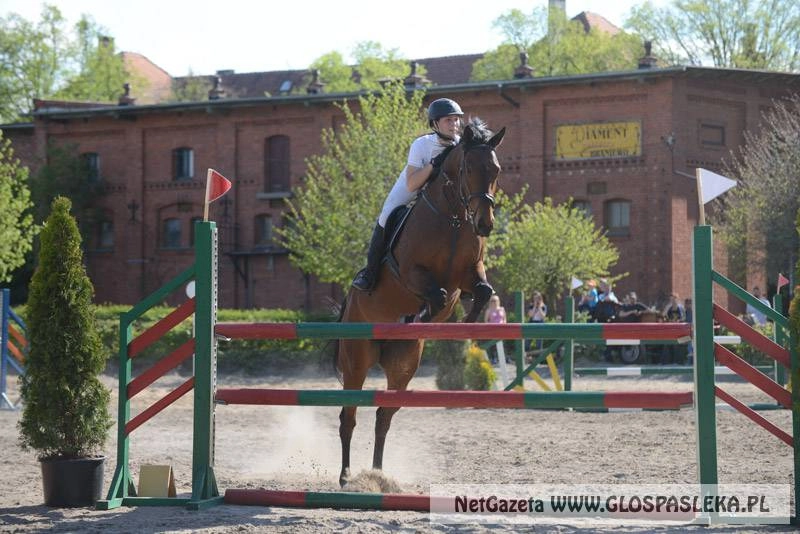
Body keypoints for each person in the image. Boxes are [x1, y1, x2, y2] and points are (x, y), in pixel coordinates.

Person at [351, 98, 464, 290]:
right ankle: (370, 274)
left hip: (440, 196)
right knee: (386, 216)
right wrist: (433, 165)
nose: (454, 125)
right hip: (413, 186)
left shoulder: (460, 145)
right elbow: (412, 184)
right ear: (435, 123)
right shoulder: (422, 144)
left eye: (456, 120)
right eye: (448, 120)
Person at [660, 293, 686, 364]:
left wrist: (678, 321)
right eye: (671, 299)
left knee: (678, 345)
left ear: (676, 299)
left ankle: (679, 361)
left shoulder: (680, 307)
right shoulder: (669, 308)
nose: (672, 301)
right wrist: (667, 307)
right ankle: (668, 361)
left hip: (679, 330)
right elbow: (663, 315)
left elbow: (684, 318)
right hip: (671, 330)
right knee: (668, 344)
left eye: (673, 299)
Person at [484, 295, 506, 364]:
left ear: (498, 301)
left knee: (501, 344)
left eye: (495, 300)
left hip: (501, 330)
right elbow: (486, 321)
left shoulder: (502, 309)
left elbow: (504, 319)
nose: (494, 302)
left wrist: (505, 326)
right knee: (493, 345)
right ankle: (493, 358)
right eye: (492, 300)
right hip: (492, 330)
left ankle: (502, 358)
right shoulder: (489, 310)